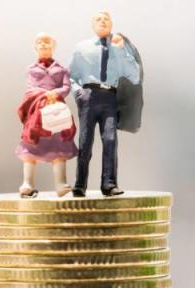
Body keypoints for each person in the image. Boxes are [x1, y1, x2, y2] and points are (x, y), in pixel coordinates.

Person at [68, 11, 142, 197]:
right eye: (98, 19)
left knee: (110, 140)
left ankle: (109, 183)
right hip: (89, 96)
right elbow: (71, 76)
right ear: (92, 24)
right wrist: (79, 93)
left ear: (112, 24)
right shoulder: (81, 48)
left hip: (109, 96)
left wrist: (120, 50)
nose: (102, 21)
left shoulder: (119, 48)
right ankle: (79, 183)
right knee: (85, 142)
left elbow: (134, 75)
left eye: (106, 19)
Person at [15, 32, 78, 198]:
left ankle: (60, 184)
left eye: (47, 42)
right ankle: (27, 183)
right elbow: (30, 88)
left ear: (53, 47)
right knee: (30, 147)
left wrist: (55, 93)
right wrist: (45, 94)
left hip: (56, 110)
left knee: (59, 146)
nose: (43, 45)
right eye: (40, 43)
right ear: (35, 48)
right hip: (37, 112)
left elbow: (66, 87)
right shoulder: (31, 69)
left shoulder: (62, 69)